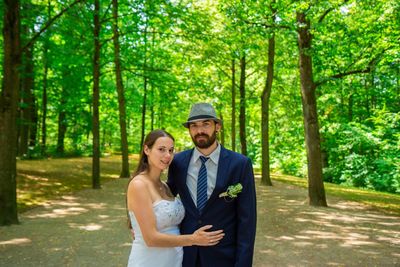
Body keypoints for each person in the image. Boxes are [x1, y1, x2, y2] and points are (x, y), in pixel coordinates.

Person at [167, 103, 257, 267]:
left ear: (218, 127)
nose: (199, 130)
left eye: (206, 124)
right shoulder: (178, 162)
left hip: (223, 257)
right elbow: (164, 198)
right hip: (186, 255)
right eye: (194, 125)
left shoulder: (240, 164)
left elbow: (247, 220)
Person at [126, 129, 225, 267]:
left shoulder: (165, 186)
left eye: (171, 150)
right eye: (161, 149)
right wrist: (193, 239)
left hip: (175, 259)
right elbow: (151, 239)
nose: (167, 155)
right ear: (147, 150)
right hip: (150, 260)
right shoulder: (139, 184)